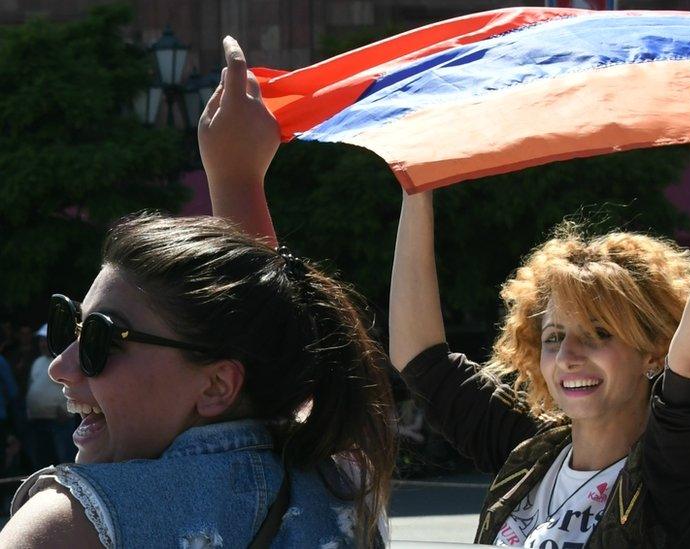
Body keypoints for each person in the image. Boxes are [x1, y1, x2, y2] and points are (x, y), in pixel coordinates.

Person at [207, 36, 690, 547]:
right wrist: (418, 186)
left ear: (653, 352)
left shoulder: (673, 470)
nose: (568, 355)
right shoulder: (532, 453)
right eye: (554, 335)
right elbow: (420, 359)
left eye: (599, 334)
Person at [0, 42, 395, 548]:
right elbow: (267, 340)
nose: (61, 365)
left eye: (101, 339)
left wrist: (235, 174)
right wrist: (237, 178)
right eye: (69, 327)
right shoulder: (344, 486)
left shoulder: (76, 521)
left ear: (217, 386)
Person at [24, 325, 77, 468]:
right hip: (38, 421)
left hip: (59, 422)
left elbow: (75, 387)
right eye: (40, 340)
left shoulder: (65, 361)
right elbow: (31, 385)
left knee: (64, 462)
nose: (42, 344)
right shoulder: (37, 362)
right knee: (42, 462)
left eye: (45, 340)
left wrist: (67, 411)